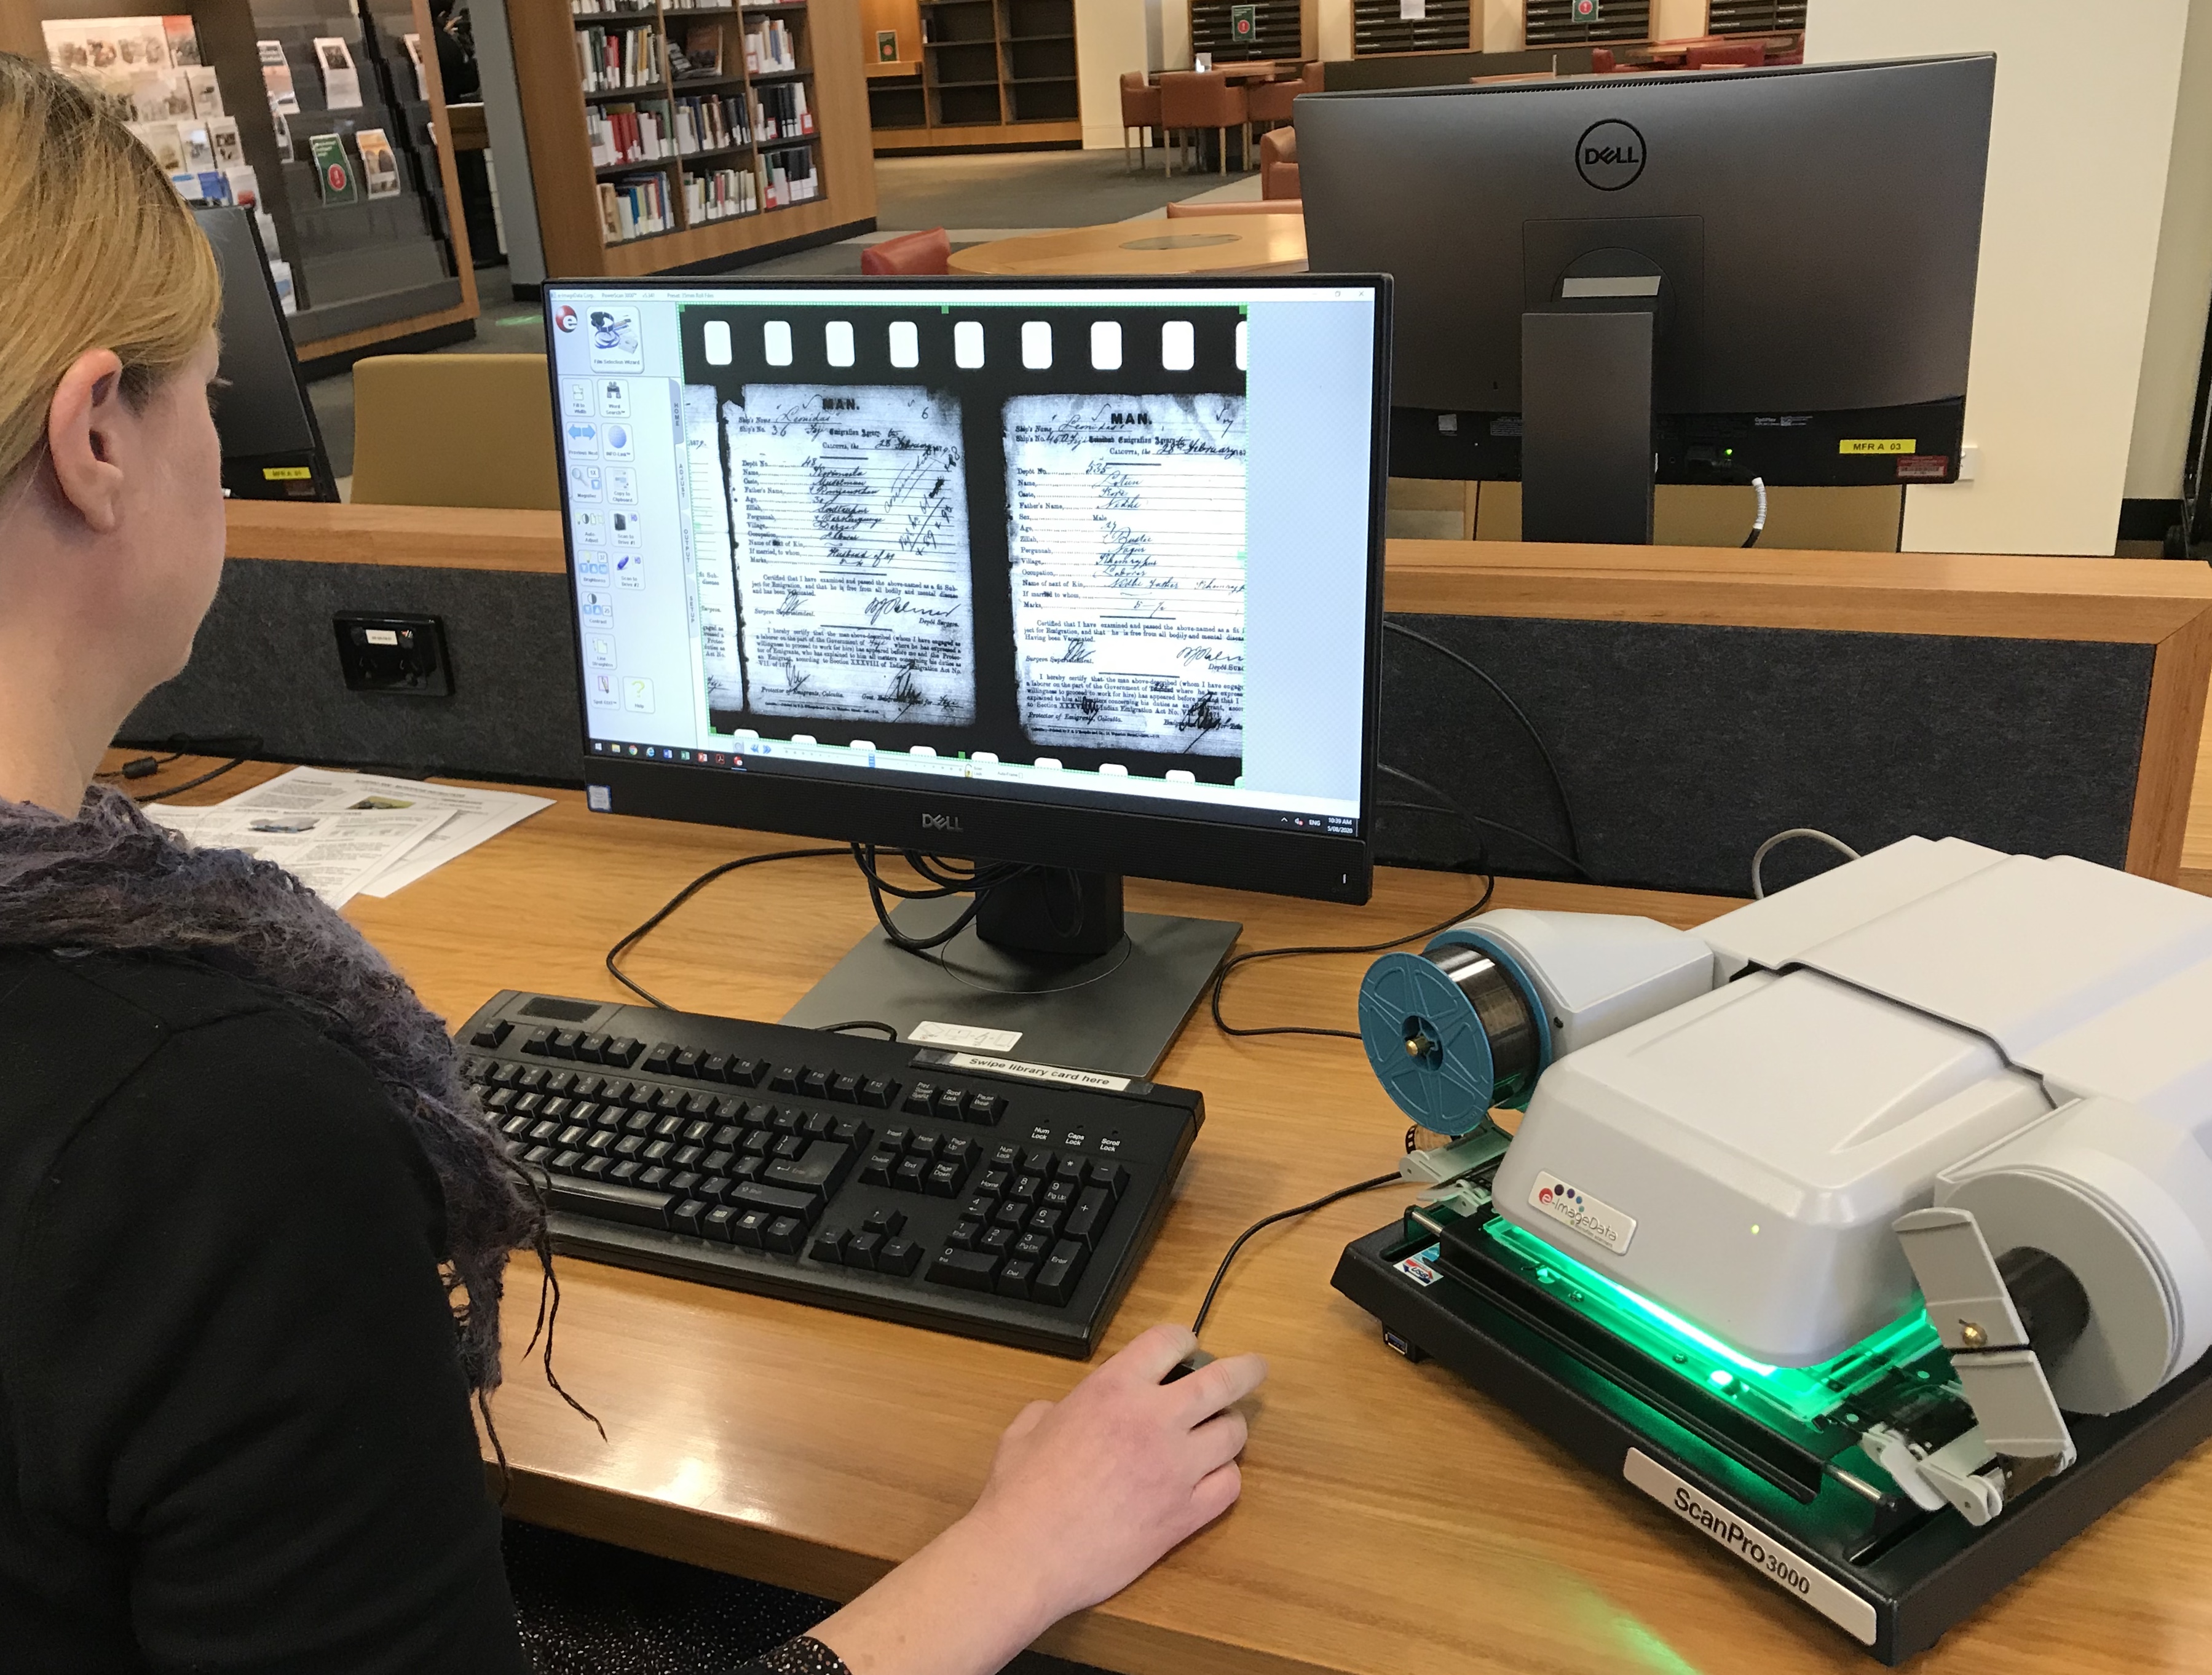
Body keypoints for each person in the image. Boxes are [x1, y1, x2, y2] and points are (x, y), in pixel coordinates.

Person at [0, 54, 1266, 1675]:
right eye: (213, 392)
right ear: (98, 430)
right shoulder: (211, 1133)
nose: (231, 453)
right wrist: (1015, 1550)